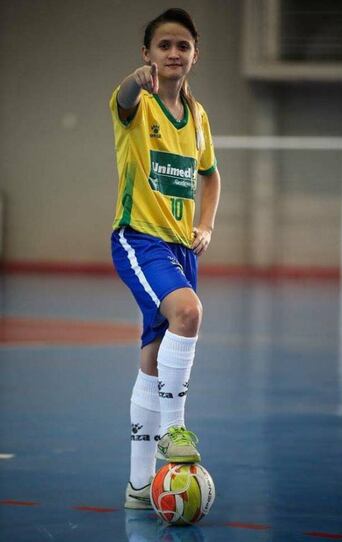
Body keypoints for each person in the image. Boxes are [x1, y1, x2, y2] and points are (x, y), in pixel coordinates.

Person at [109, 8, 221, 509]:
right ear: (147, 55)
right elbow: (127, 97)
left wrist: (206, 225)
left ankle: (137, 487)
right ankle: (173, 431)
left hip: (180, 247)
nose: (173, 53)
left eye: (183, 46)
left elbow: (211, 176)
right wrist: (135, 83)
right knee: (189, 311)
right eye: (163, 46)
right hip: (139, 239)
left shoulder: (197, 117)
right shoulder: (135, 102)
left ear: (195, 54)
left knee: (153, 358)